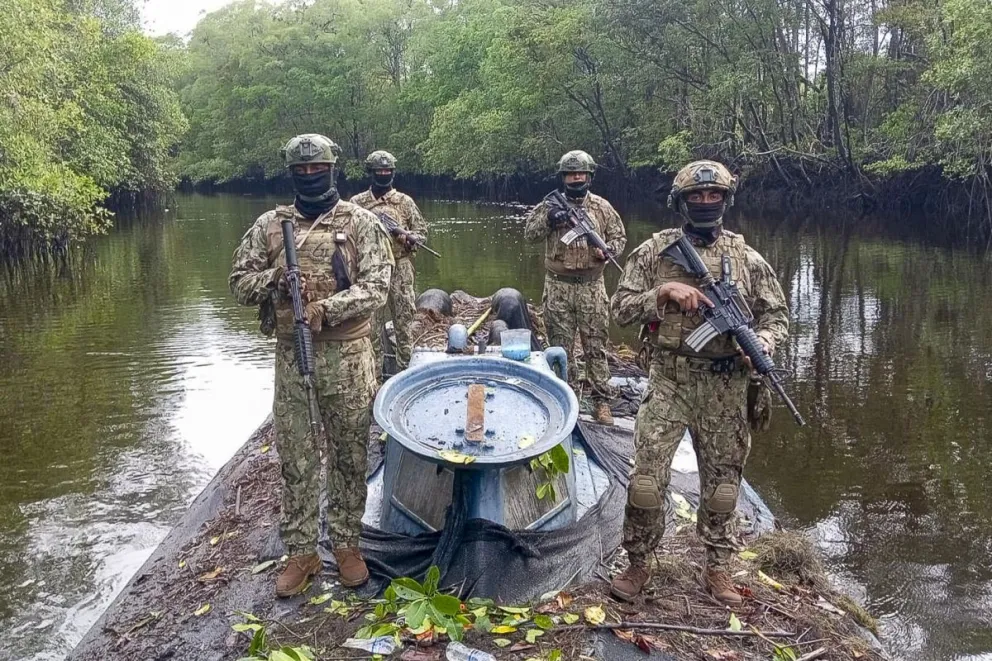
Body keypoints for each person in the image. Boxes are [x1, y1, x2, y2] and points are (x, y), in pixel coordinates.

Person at [609, 160, 789, 604]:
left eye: (714, 196)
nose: (706, 203)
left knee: (724, 487)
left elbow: (777, 315)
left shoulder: (747, 259)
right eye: (697, 196)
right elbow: (620, 308)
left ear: (726, 200)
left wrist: (761, 342)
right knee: (646, 482)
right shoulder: (655, 252)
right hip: (670, 379)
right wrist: (663, 294)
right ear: (681, 201)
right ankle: (637, 564)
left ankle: (718, 569)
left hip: (726, 385)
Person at [229, 134, 393, 596]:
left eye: (316, 168)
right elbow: (238, 283)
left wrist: (329, 309)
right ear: (290, 174)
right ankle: (300, 553)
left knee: (349, 454)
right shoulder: (269, 225)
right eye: (300, 171)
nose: (309, 175)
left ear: (332, 168)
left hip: (349, 357)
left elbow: (378, 286)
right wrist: (275, 277)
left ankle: (346, 545)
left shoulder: (361, 223)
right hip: (290, 356)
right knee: (296, 459)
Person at [523, 150, 626, 424]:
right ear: (563, 177)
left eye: (580, 173)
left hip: (592, 286)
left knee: (596, 345)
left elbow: (619, 236)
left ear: (589, 176)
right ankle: (564, 396)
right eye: (570, 174)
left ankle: (601, 399)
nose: (576, 178)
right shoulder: (549, 206)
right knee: (560, 345)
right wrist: (550, 219)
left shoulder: (602, 207)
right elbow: (529, 234)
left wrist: (610, 250)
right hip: (558, 286)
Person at [350, 150, 428, 375]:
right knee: (370, 327)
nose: (383, 174)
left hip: (401, 267)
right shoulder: (357, 203)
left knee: (404, 323)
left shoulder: (404, 202)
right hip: (369, 270)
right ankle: (373, 378)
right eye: (379, 171)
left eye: (387, 171)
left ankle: (405, 374)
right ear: (371, 173)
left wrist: (408, 238)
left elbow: (421, 234)